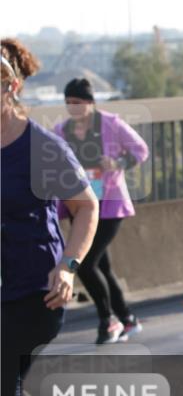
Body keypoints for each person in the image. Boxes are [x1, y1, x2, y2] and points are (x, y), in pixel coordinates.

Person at [1, 39, 99, 396]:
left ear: (11, 87)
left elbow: (86, 207)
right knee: (7, 386)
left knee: (2, 381)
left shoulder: (41, 147)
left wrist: (68, 265)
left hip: (36, 290)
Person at [55, 77, 149, 344]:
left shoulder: (110, 123)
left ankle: (108, 320)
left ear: (90, 102)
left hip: (109, 205)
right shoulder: (60, 130)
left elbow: (140, 150)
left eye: (78, 102)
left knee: (85, 263)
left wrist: (117, 162)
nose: (73, 107)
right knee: (102, 267)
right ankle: (128, 319)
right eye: (68, 102)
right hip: (80, 206)